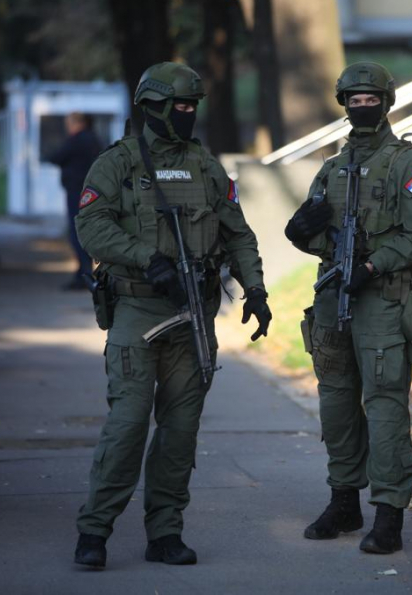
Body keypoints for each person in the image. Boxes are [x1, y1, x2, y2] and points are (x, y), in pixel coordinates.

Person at [72, 61, 272, 569]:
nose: (187, 114)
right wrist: (146, 258)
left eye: (191, 107)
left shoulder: (206, 167)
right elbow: (91, 226)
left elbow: (238, 234)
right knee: (128, 425)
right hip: (137, 309)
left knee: (180, 432)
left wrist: (255, 289)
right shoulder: (117, 163)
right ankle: (94, 529)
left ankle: (165, 532)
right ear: (151, 108)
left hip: (193, 315)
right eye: (178, 106)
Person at [285, 62, 412, 554]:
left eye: (370, 99)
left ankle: (389, 514)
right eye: (353, 100)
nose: (361, 107)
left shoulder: (408, 167)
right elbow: (316, 234)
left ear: (386, 102)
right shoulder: (332, 169)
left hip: (384, 300)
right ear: (343, 105)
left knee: (384, 408)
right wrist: (301, 232)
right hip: (334, 298)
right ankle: (344, 502)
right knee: (336, 404)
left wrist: (373, 265)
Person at [48, 112, 102, 290]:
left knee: (77, 232)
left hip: (76, 192)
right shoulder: (93, 139)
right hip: (89, 192)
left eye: (69, 123)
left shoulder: (77, 140)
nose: (67, 127)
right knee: (83, 231)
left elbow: (56, 156)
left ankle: (84, 275)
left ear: (78, 123)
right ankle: (83, 273)